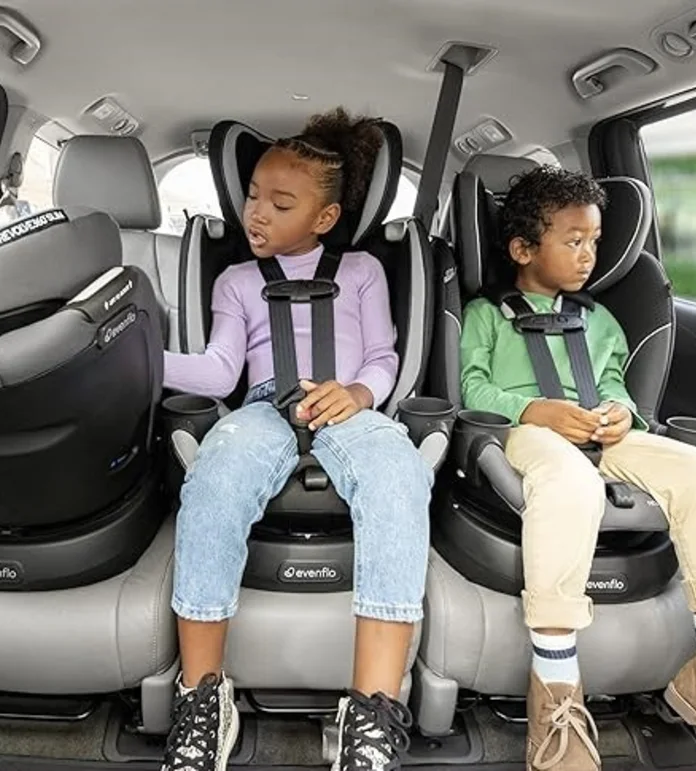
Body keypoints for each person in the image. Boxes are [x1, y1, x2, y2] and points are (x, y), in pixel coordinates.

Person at [459, 165, 696, 770]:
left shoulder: (600, 320)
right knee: (571, 484)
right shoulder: (484, 316)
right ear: (523, 250)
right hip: (524, 434)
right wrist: (533, 410)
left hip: (602, 434)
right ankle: (555, 684)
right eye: (573, 241)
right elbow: (470, 387)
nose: (589, 255)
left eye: (594, 240)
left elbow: (614, 383)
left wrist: (621, 413)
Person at [161, 107, 432, 771]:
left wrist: (359, 394)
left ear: (324, 218)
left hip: (347, 406)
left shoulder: (362, 271)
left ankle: (371, 715)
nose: (257, 213)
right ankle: (202, 699)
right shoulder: (236, 281)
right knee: (216, 472)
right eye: (254, 196)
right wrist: (137, 357)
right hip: (262, 404)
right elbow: (218, 371)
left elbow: (383, 356)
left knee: (400, 473)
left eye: (281, 205)